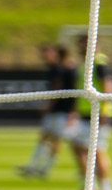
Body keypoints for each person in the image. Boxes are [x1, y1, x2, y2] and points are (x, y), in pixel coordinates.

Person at [16, 43, 77, 179]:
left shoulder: (63, 70)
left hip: (62, 111)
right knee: (49, 138)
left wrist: (49, 105)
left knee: (56, 139)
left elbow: (59, 89)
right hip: (59, 111)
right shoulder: (62, 69)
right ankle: (37, 166)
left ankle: (43, 167)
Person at [70, 34, 112, 190]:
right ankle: (91, 188)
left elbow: (108, 86)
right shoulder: (85, 63)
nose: (80, 47)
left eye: (83, 43)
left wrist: (104, 110)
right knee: (79, 148)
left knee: (97, 151)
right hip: (85, 113)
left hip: (97, 114)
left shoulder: (99, 62)